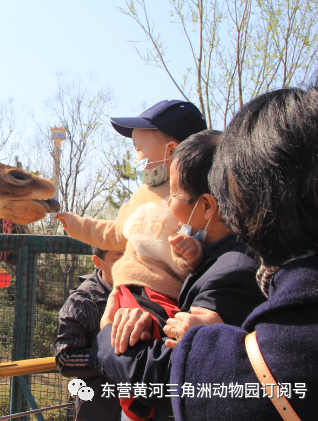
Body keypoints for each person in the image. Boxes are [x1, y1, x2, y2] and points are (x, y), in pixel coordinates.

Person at [167, 79, 318, 419]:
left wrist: (108, 340)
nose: (166, 205)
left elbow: (156, 376)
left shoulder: (228, 364)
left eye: (173, 194)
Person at [87, 130, 266, 420]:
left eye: (173, 194)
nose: (168, 205)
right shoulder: (212, 259)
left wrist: (107, 334)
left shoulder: (232, 273)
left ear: (207, 206)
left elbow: (163, 377)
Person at [55, 100, 207, 420]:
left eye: (139, 148)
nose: (135, 157)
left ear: (172, 149)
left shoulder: (190, 193)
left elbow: (200, 245)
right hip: (125, 290)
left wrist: (192, 253)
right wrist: (77, 224)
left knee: (142, 364)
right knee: (123, 353)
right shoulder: (141, 193)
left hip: (161, 296)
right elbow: (114, 233)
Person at [55, 247, 124, 420]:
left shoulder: (145, 290)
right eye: (120, 255)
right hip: (100, 407)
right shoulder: (81, 302)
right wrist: (114, 359)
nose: (128, 262)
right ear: (98, 261)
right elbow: (66, 359)